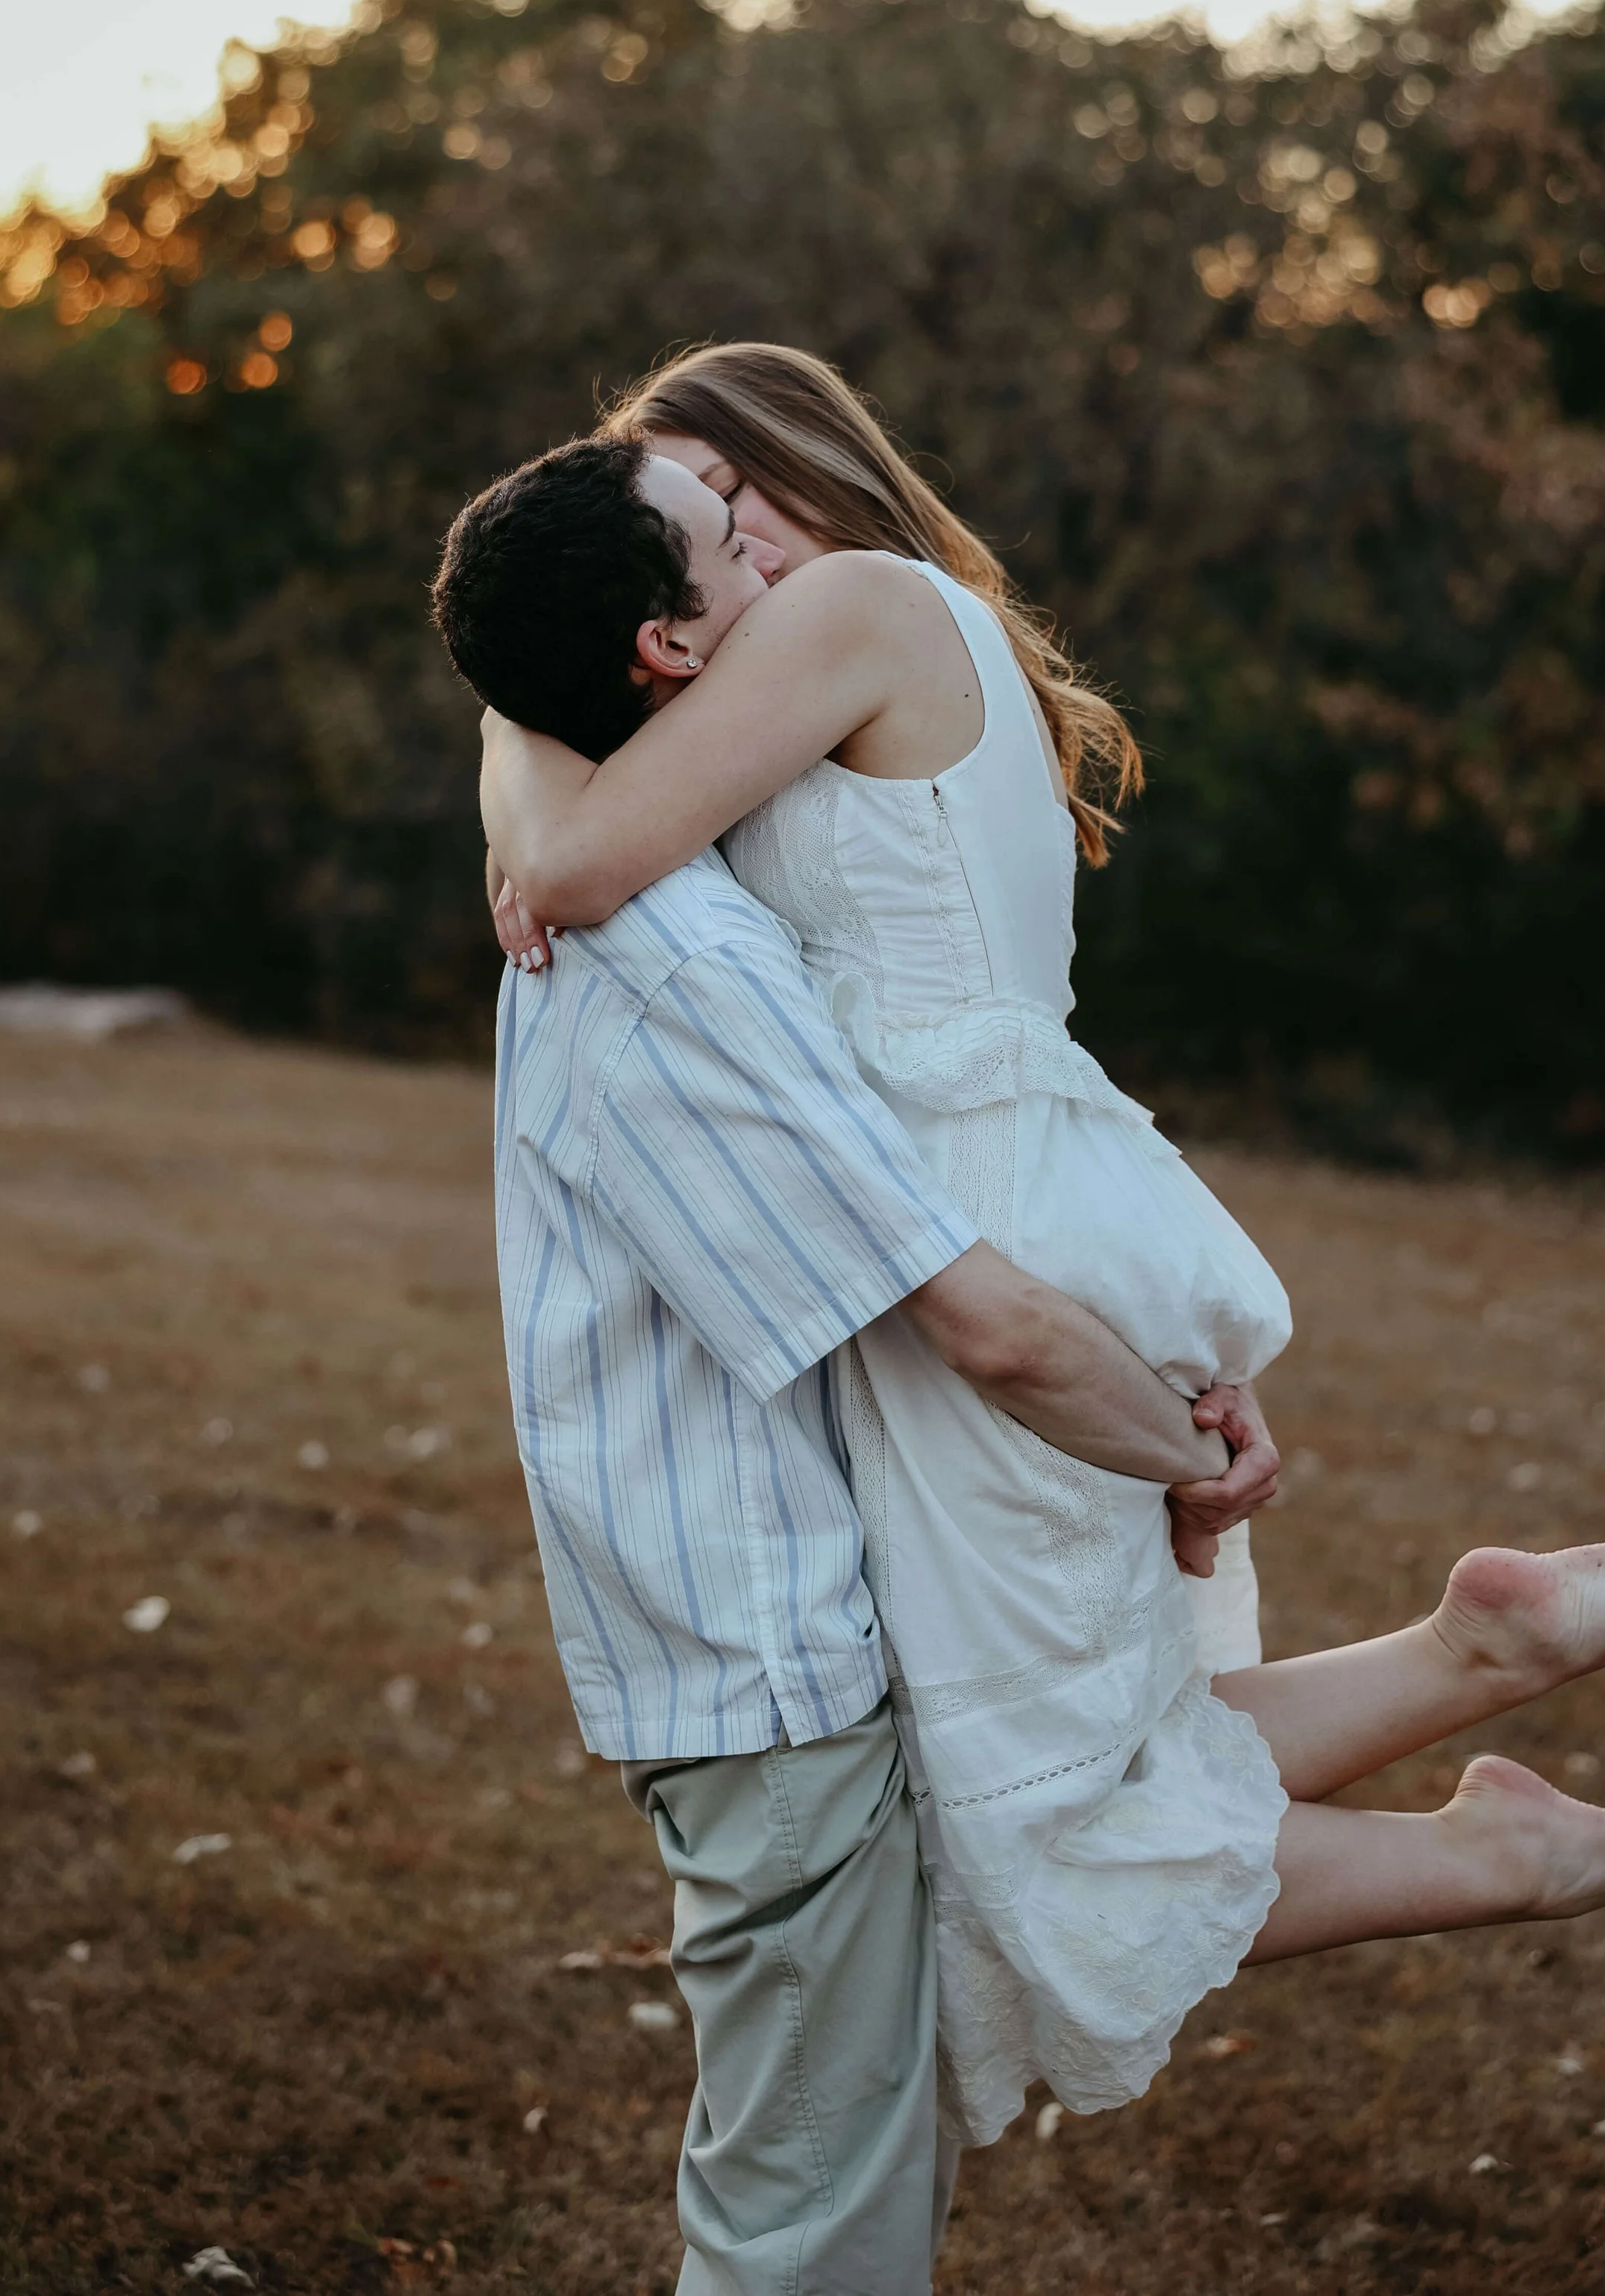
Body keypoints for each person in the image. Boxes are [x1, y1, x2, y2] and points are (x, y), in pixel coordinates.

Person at [435, 353, 1605, 2164]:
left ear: (791, 475)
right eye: (687, 536)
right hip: (1017, 1189)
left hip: (968, 1235)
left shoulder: (844, 606)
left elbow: (582, 860)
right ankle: (1473, 1660)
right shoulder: (915, 624)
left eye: (714, 502)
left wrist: (511, 729)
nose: (719, 552)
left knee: (1023, 1820)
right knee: (1071, 1740)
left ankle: (1490, 1840)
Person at [454, 428, 1268, 2291]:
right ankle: (1499, 1771)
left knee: (842, 2171)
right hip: (764, 1661)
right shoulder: (685, 964)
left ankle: (1491, 1709)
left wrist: (510, 740)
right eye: (725, 546)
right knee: (808, 2228)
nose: (775, 578)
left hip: (741, 1634)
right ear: (665, 651)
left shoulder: (641, 904)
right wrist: (1191, 1447)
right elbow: (981, 1324)